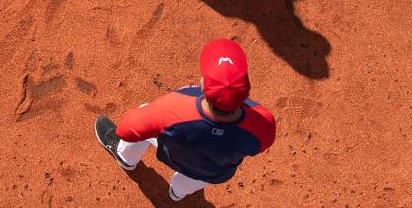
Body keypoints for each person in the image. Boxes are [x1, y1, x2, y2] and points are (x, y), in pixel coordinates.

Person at [95, 39, 276, 201]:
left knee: (145, 112)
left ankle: (126, 159)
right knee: (187, 184)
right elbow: (257, 145)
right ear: (247, 89)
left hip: (174, 154)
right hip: (213, 172)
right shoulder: (264, 124)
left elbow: (126, 129)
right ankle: (177, 194)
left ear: (203, 85)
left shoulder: (174, 108)